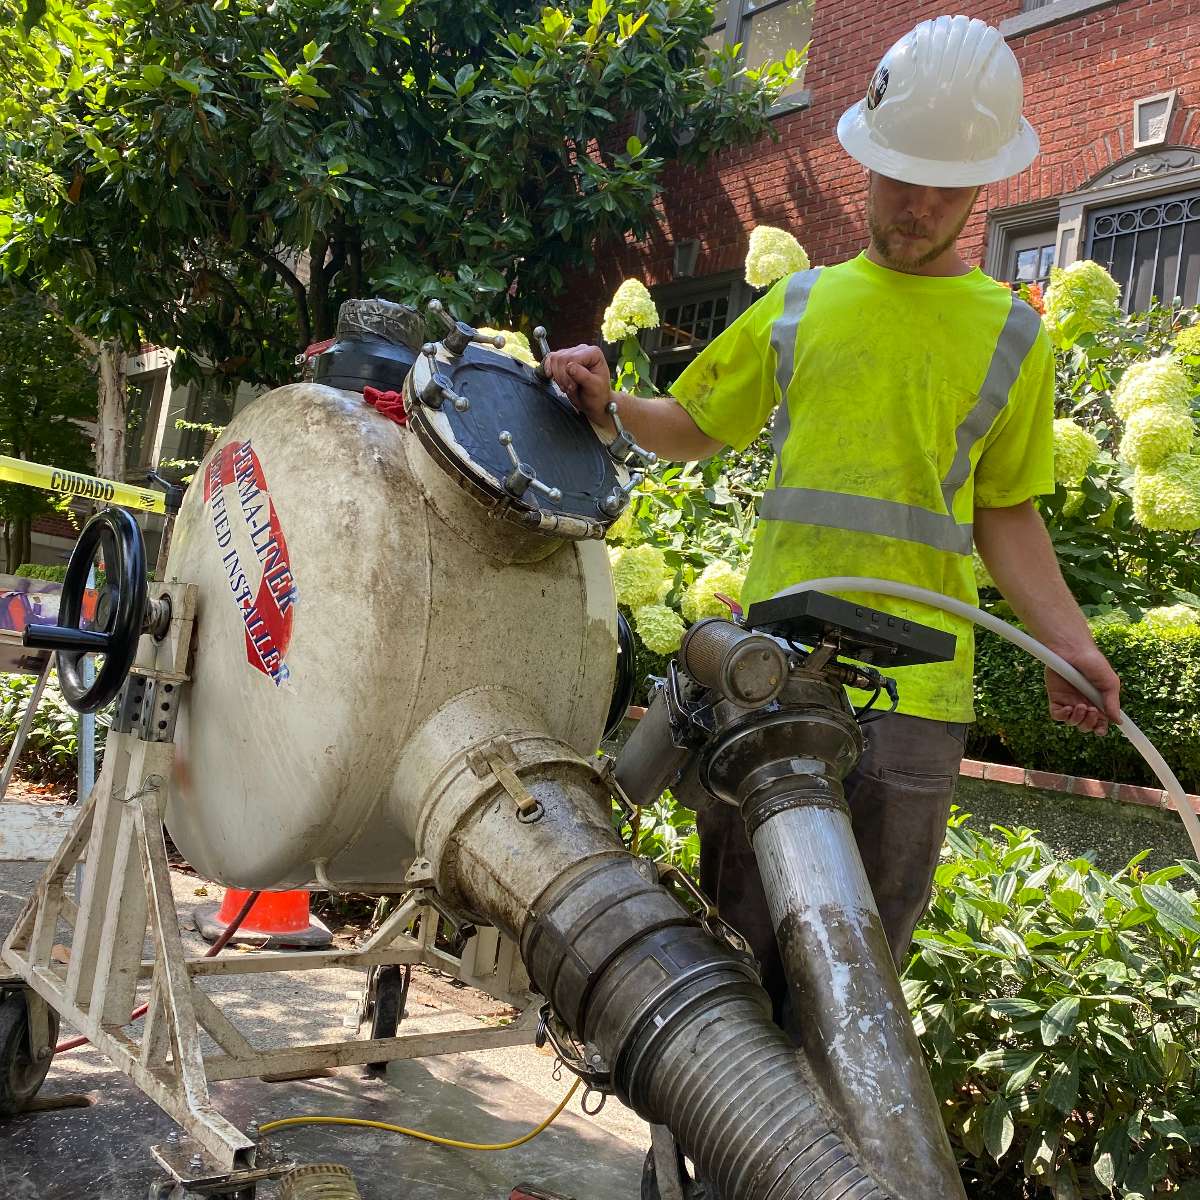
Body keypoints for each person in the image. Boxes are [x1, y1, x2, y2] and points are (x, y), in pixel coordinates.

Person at [544, 15, 1121, 1011]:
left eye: (944, 187)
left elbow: (1006, 515)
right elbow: (694, 423)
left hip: (916, 708)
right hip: (773, 681)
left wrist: (1070, 643)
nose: (915, 206)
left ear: (984, 182)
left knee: (854, 996)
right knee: (731, 966)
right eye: (900, 178)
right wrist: (613, 405)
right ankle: (690, 1166)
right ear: (867, 157)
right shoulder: (802, 304)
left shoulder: (1013, 337)